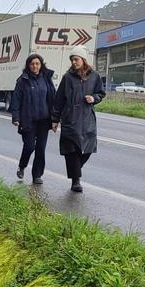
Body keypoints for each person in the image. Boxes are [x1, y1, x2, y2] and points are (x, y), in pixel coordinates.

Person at [53, 46, 105, 192]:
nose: (74, 62)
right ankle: (76, 181)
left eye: (76, 59)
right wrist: (55, 119)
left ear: (83, 60)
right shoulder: (67, 77)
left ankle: (75, 170)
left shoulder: (94, 76)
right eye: (72, 59)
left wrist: (93, 98)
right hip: (70, 119)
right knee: (72, 150)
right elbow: (59, 99)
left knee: (88, 149)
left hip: (87, 119)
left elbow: (101, 93)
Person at [9, 53, 55, 185]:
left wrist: (55, 118)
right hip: (28, 119)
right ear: (28, 65)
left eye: (37, 64)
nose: (35, 66)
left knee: (40, 149)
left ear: (41, 65)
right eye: (32, 64)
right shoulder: (23, 81)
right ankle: (22, 165)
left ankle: (37, 175)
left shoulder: (46, 79)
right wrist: (16, 117)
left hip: (44, 120)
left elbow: (52, 98)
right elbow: (16, 100)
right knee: (29, 146)